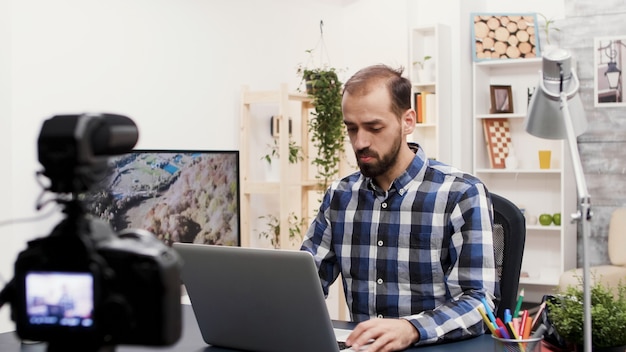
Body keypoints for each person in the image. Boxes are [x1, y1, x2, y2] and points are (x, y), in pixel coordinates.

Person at [300, 64, 496, 352]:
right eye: (351, 129)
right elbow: (305, 283)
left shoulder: (461, 193)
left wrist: (412, 328)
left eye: (374, 127)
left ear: (408, 121)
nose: (360, 142)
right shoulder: (340, 196)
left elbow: (480, 303)